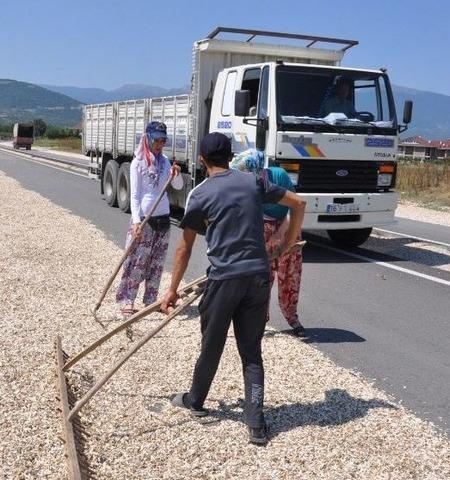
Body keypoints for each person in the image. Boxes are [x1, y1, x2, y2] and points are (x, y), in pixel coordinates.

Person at [161, 133, 306, 445]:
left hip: (224, 279)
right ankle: (256, 423)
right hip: (257, 277)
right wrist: (286, 244)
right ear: (230, 157)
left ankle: (195, 401)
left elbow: (184, 249)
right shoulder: (253, 182)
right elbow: (299, 203)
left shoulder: (200, 194)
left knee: (211, 345)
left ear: (201, 159)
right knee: (251, 351)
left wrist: (171, 290)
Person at [231, 151, 306, 337]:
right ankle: (260, 319)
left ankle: (292, 317)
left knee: (290, 274)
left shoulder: (278, 176)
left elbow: (295, 208)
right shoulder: (243, 186)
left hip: (287, 225)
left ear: (257, 170)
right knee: (262, 276)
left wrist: (280, 235)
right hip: (261, 225)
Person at [115, 121, 183, 316]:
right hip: (144, 220)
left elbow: (177, 186)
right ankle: (128, 299)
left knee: (157, 263)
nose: (160, 144)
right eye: (156, 140)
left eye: (163, 140)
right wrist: (136, 221)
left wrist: (176, 175)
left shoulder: (165, 162)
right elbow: (135, 196)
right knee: (136, 261)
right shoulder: (138, 163)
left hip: (163, 219)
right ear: (147, 138)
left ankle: (151, 300)